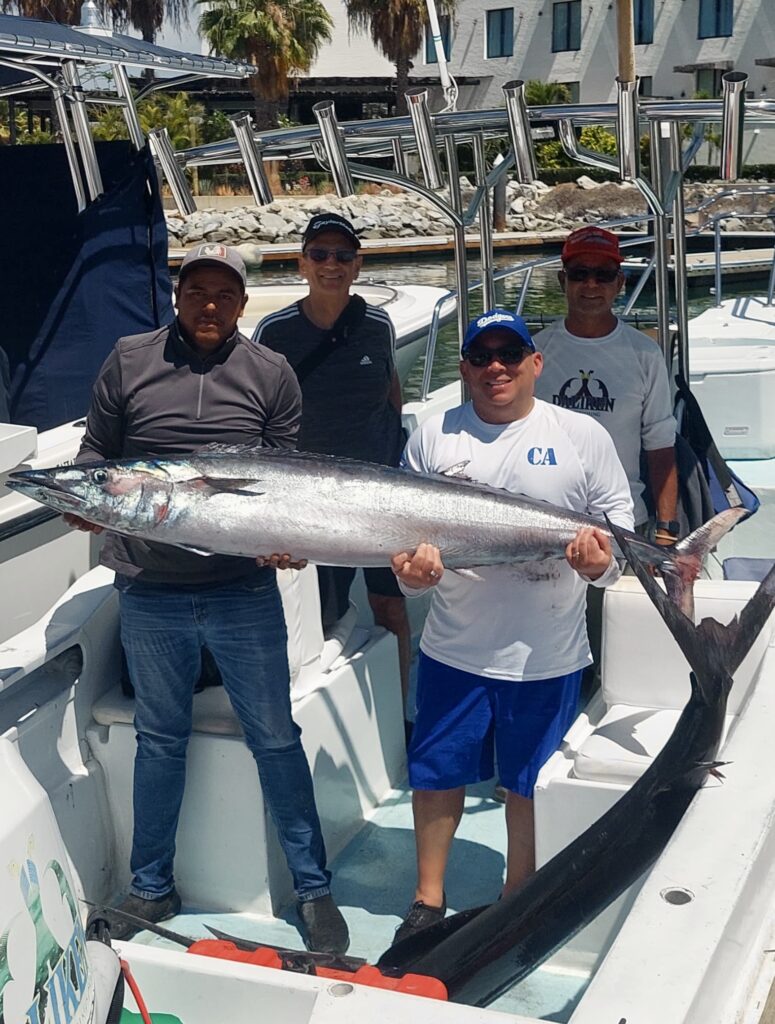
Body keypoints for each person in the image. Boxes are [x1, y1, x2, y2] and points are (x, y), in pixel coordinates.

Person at [66, 243, 348, 955]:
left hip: (241, 588)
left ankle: (313, 888)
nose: (210, 305)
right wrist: (87, 502)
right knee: (161, 741)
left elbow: (284, 477)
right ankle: (151, 884)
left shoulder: (269, 372)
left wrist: (285, 541)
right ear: (178, 295)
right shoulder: (129, 359)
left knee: (275, 737)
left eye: (224, 293)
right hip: (150, 590)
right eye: (197, 291)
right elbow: (95, 457)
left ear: (242, 303)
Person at [390, 309, 634, 944]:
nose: (495, 366)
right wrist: (411, 577)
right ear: (465, 366)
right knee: (436, 773)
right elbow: (402, 540)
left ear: (535, 363)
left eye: (509, 353)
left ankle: (517, 894)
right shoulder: (433, 435)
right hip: (453, 646)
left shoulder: (582, 436)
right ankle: (427, 898)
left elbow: (616, 532)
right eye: (480, 356)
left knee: (527, 781)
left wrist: (598, 567)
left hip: (547, 652)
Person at [255, 212, 412, 733]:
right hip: (311, 500)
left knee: (390, 604)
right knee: (322, 613)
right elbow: (260, 411)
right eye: (319, 255)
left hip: (381, 493)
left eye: (343, 256)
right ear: (302, 263)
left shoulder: (378, 323)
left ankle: (404, 715)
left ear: (357, 265)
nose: (331, 265)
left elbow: (391, 390)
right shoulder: (274, 331)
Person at [533, 225, 679, 544]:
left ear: (620, 283)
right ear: (563, 281)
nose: (590, 284)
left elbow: (660, 444)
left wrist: (667, 529)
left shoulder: (646, 354)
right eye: (579, 273)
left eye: (603, 274)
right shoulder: (533, 353)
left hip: (622, 523)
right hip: (544, 522)